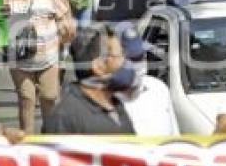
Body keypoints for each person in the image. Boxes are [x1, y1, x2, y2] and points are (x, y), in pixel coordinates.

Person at [44, 24, 178, 135]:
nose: (132, 66)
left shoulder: (115, 105)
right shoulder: (65, 118)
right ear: (99, 66)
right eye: (123, 56)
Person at [2, 0, 75, 133]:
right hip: (18, 59)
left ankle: (48, 136)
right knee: (26, 98)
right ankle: (27, 142)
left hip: (49, 57)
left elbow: (64, 17)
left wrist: (65, 36)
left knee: (50, 97)